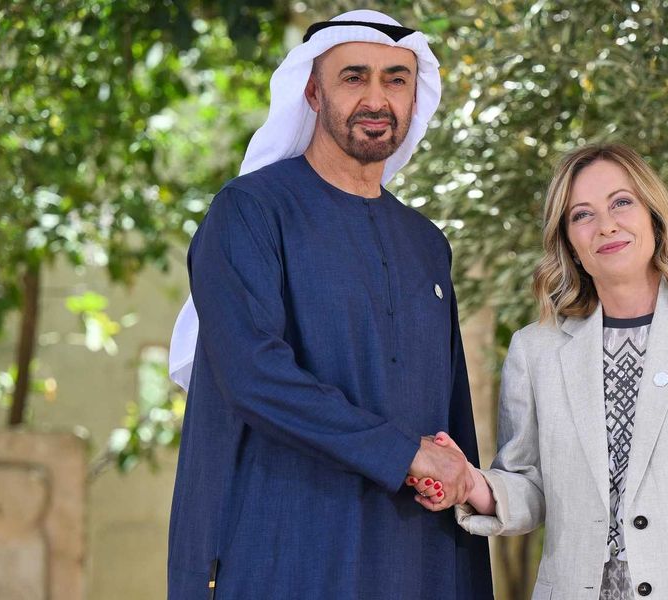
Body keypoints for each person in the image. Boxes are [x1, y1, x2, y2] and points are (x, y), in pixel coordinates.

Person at [165, 10, 492, 599]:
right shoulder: (249, 213)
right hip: (285, 553)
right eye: (353, 77)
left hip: (412, 561)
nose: (377, 98)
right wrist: (405, 454)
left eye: (396, 80)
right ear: (313, 93)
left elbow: (450, 413)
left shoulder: (426, 243)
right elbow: (253, 375)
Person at [410, 143, 668, 599]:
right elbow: (531, 486)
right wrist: (472, 483)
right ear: (568, 241)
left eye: (622, 203)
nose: (606, 225)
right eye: (582, 215)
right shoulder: (535, 350)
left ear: (654, 215)